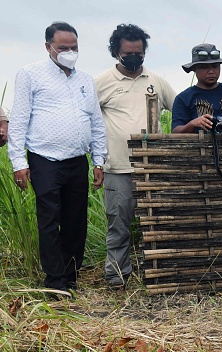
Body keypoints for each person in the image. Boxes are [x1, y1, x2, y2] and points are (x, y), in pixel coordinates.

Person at [8, 21, 107, 297]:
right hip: (44, 159)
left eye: (74, 47)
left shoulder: (85, 79)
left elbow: (96, 123)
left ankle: (70, 274)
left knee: (76, 220)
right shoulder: (30, 74)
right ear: (48, 47)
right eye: (63, 47)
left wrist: (99, 160)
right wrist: (19, 163)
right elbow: (18, 120)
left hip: (77, 160)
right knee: (49, 219)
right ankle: (55, 282)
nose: (70, 51)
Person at [94, 24, 177, 289]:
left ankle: (158, 272)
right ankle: (117, 276)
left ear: (144, 52)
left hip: (152, 166)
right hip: (118, 167)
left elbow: (180, 109)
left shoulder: (156, 81)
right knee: (118, 224)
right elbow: (89, 120)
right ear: (116, 52)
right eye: (127, 52)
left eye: (138, 52)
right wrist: (96, 159)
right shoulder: (102, 82)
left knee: (158, 223)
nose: (133, 57)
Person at [171, 43, 222, 135]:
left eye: (215, 66)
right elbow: (176, 131)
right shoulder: (183, 98)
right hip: (198, 148)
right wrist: (193, 124)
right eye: (204, 67)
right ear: (194, 69)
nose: (211, 71)